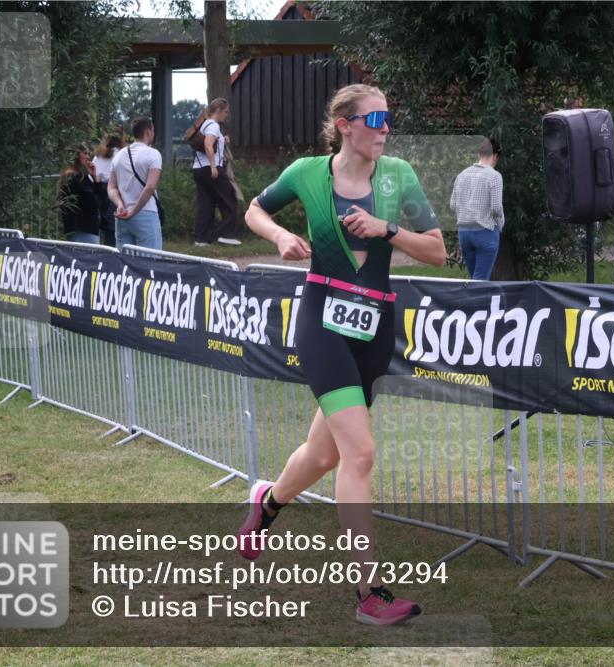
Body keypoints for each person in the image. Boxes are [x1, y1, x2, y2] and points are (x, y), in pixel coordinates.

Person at [240, 83, 446, 626]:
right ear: (346, 124)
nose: (384, 128)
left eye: (388, 118)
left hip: (374, 326)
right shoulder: (308, 173)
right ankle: (369, 594)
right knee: (359, 454)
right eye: (375, 117)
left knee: (324, 455)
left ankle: (267, 503)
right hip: (322, 320)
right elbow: (254, 210)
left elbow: (439, 251)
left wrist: (390, 229)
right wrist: (281, 237)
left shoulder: (398, 175)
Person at [188, 98, 242, 247]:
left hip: (198, 169)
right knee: (229, 196)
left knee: (206, 203)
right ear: (218, 111)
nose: (227, 115)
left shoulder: (205, 124)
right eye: (225, 112)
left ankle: (201, 239)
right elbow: (208, 144)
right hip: (209, 168)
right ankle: (225, 233)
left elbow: (211, 141)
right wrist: (213, 167)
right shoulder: (213, 125)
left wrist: (223, 140)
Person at [450, 137, 504, 280]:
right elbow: (496, 208)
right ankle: (476, 303)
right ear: (496, 156)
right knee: (480, 281)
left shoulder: (462, 175)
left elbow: (452, 205)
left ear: (480, 154)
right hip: (485, 232)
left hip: (464, 233)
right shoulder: (494, 176)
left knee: (474, 278)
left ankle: (470, 303)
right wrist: (500, 224)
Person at [108, 117, 163, 251]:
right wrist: (135, 210)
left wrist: (120, 204)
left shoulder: (119, 156)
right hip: (145, 213)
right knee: (149, 264)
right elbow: (150, 187)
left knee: (125, 266)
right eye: (153, 130)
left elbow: (111, 187)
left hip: (122, 216)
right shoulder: (153, 154)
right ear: (148, 131)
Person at [58, 144, 101, 244]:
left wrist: (94, 177)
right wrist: (96, 182)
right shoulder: (77, 178)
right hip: (85, 228)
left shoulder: (72, 176)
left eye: (88, 154)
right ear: (77, 155)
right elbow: (94, 203)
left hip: (74, 228)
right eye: (85, 153)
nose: (88, 157)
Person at [92, 133, 125, 248]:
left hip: (100, 189)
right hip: (114, 190)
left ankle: (105, 247)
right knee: (113, 224)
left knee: (103, 223)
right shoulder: (120, 153)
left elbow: (94, 173)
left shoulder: (98, 155)